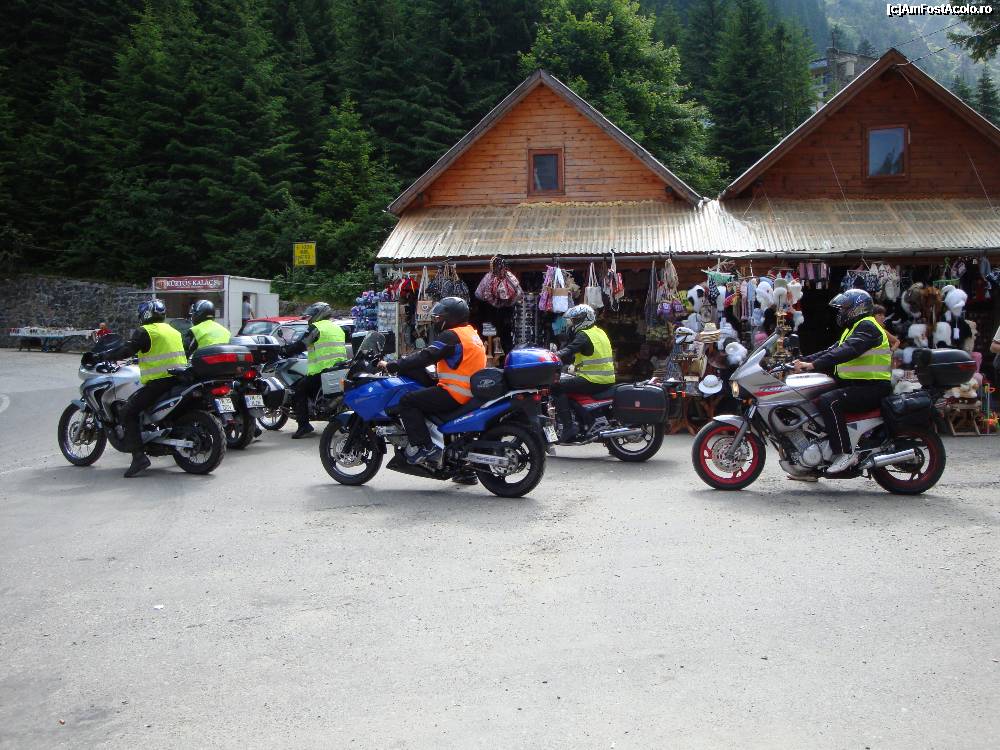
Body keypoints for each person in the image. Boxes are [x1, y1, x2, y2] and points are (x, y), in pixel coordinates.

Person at [791, 289, 892, 474]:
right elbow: (831, 350)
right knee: (812, 397)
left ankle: (845, 452)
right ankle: (812, 463)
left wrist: (813, 365)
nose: (841, 312)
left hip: (873, 387)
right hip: (854, 384)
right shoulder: (853, 328)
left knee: (829, 401)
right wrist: (800, 361)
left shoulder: (868, 326)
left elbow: (848, 350)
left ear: (857, 308)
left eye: (845, 308)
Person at [379, 296, 486, 467]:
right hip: (469, 391)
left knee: (407, 401)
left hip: (454, 393)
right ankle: (465, 471)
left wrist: (393, 365)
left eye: (439, 318)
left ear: (451, 317)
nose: (437, 321)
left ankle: (425, 447)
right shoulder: (471, 333)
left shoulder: (451, 336)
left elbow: (426, 356)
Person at [100, 299, 187, 477]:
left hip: (159, 382)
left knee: (128, 412)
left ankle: (139, 457)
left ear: (145, 314)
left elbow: (127, 350)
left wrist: (105, 356)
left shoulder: (145, 331)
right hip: (179, 379)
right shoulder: (173, 330)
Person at [281, 301, 350, 439]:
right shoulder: (337, 328)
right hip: (339, 368)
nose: (310, 318)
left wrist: (285, 351)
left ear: (319, 314)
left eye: (312, 315)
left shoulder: (316, 328)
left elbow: (301, 344)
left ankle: (304, 425)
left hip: (321, 370)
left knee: (299, 390)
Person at [551, 304, 615, 442]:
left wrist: (552, 356)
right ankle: (582, 419)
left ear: (584, 319)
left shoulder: (584, 335)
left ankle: (568, 427)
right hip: (605, 378)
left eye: (575, 320)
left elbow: (569, 350)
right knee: (568, 383)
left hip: (593, 379)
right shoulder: (599, 332)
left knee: (556, 387)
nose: (573, 323)